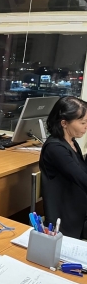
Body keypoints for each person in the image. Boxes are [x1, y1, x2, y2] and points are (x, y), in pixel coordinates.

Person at [40, 96, 87, 239]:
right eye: (83, 122)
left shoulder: (71, 142)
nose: (86, 126)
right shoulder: (55, 148)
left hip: (79, 209)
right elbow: (82, 179)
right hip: (67, 219)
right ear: (64, 123)